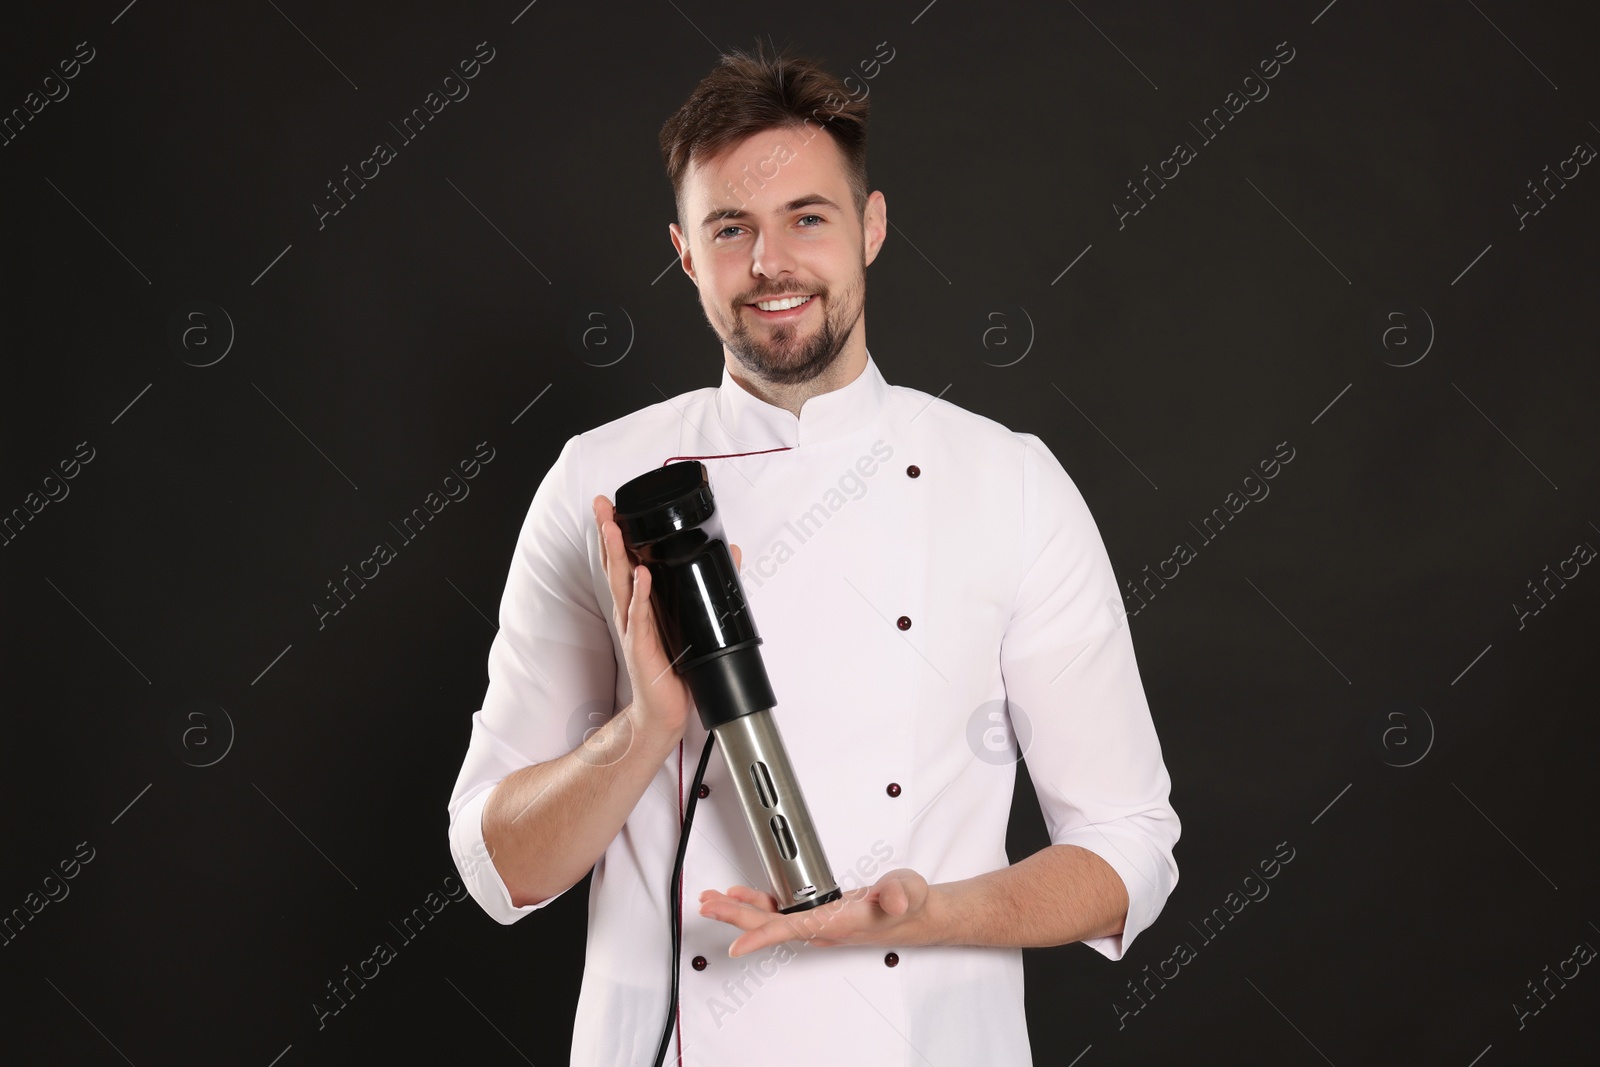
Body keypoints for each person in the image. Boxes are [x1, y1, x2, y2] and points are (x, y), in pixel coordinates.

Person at [446, 41, 1180, 1066]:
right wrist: (647, 725)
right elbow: (496, 865)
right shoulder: (596, 483)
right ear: (685, 252)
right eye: (729, 227)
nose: (769, 263)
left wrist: (919, 915)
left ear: (871, 229)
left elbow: (1130, 846)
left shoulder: (1005, 479)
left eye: (807, 217)